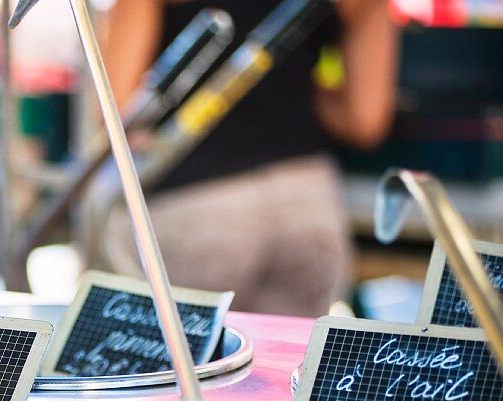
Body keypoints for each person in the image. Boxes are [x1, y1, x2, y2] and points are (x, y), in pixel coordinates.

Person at [93, 0, 399, 317]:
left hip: (196, 205)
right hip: (306, 201)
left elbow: (117, 113)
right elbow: (364, 122)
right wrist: (294, 83)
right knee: (287, 361)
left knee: (174, 360)